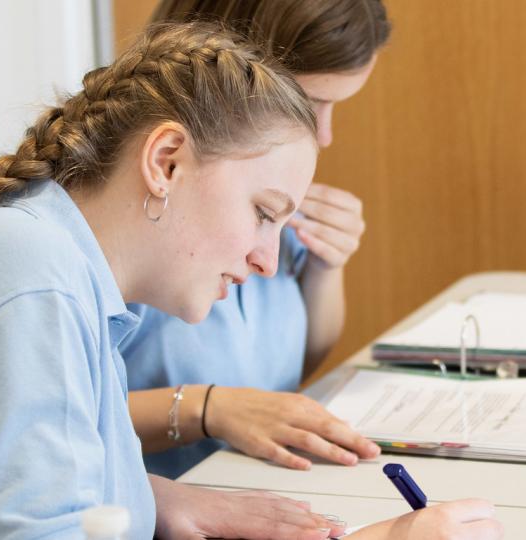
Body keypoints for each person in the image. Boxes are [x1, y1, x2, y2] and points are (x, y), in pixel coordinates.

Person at [0, 22, 499, 539]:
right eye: (261, 213)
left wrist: (156, 501)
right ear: (167, 162)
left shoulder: (32, 246)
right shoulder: (30, 283)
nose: (268, 262)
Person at [123, 0, 391, 478]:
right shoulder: (115, 221)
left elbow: (286, 371)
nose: (325, 135)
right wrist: (207, 409)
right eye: (310, 104)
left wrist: (325, 267)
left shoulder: (262, 190)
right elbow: (58, 418)